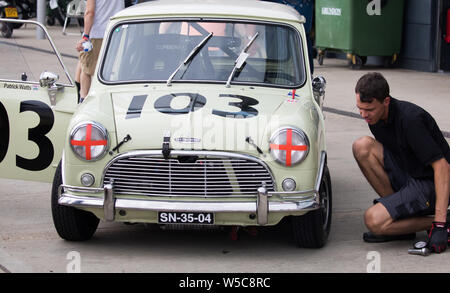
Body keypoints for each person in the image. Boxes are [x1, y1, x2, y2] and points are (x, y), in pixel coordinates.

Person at [352, 72, 450, 253]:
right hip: (407, 170)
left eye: (369, 109)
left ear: (386, 101)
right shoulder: (375, 117)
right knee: (362, 146)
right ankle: (402, 223)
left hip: (429, 183)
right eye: (360, 108)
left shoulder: (411, 120)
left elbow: (443, 167)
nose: (364, 115)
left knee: (373, 220)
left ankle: (444, 223)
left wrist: (439, 223)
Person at [76, 0, 124, 101]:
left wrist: (85, 36)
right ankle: (105, 97)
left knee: (86, 69)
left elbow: (90, 12)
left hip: (97, 33)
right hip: (116, 30)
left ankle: (83, 99)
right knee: (109, 69)